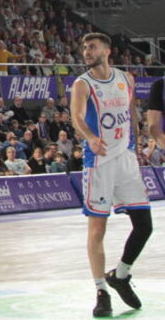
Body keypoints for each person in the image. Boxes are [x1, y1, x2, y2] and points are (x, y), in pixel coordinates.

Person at [71, 33, 150, 318]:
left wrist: (136, 147)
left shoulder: (126, 78)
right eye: (84, 48)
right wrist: (91, 137)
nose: (86, 52)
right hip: (99, 162)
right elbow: (77, 117)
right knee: (97, 229)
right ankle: (101, 290)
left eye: (92, 47)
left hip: (126, 159)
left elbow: (131, 113)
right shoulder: (83, 84)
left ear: (107, 50)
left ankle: (121, 275)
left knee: (145, 225)